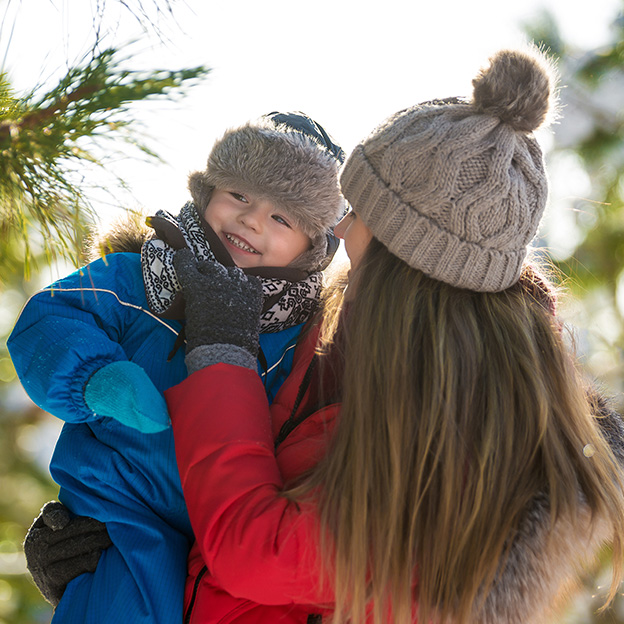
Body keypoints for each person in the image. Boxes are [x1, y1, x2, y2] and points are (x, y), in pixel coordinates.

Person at [164, 47, 624, 623]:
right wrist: (133, 560)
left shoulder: (458, 438)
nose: (339, 226)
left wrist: (222, 358)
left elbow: (258, 552)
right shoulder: (364, 346)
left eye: (357, 211)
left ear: (402, 255)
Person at [8, 111, 345, 624]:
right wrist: (96, 378)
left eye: (283, 218)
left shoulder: (305, 338)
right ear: (207, 192)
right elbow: (50, 320)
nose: (252, 219)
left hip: (224, 528)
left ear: (314, 248)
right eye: (240, 196)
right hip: (120, 511)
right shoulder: (138, 276)